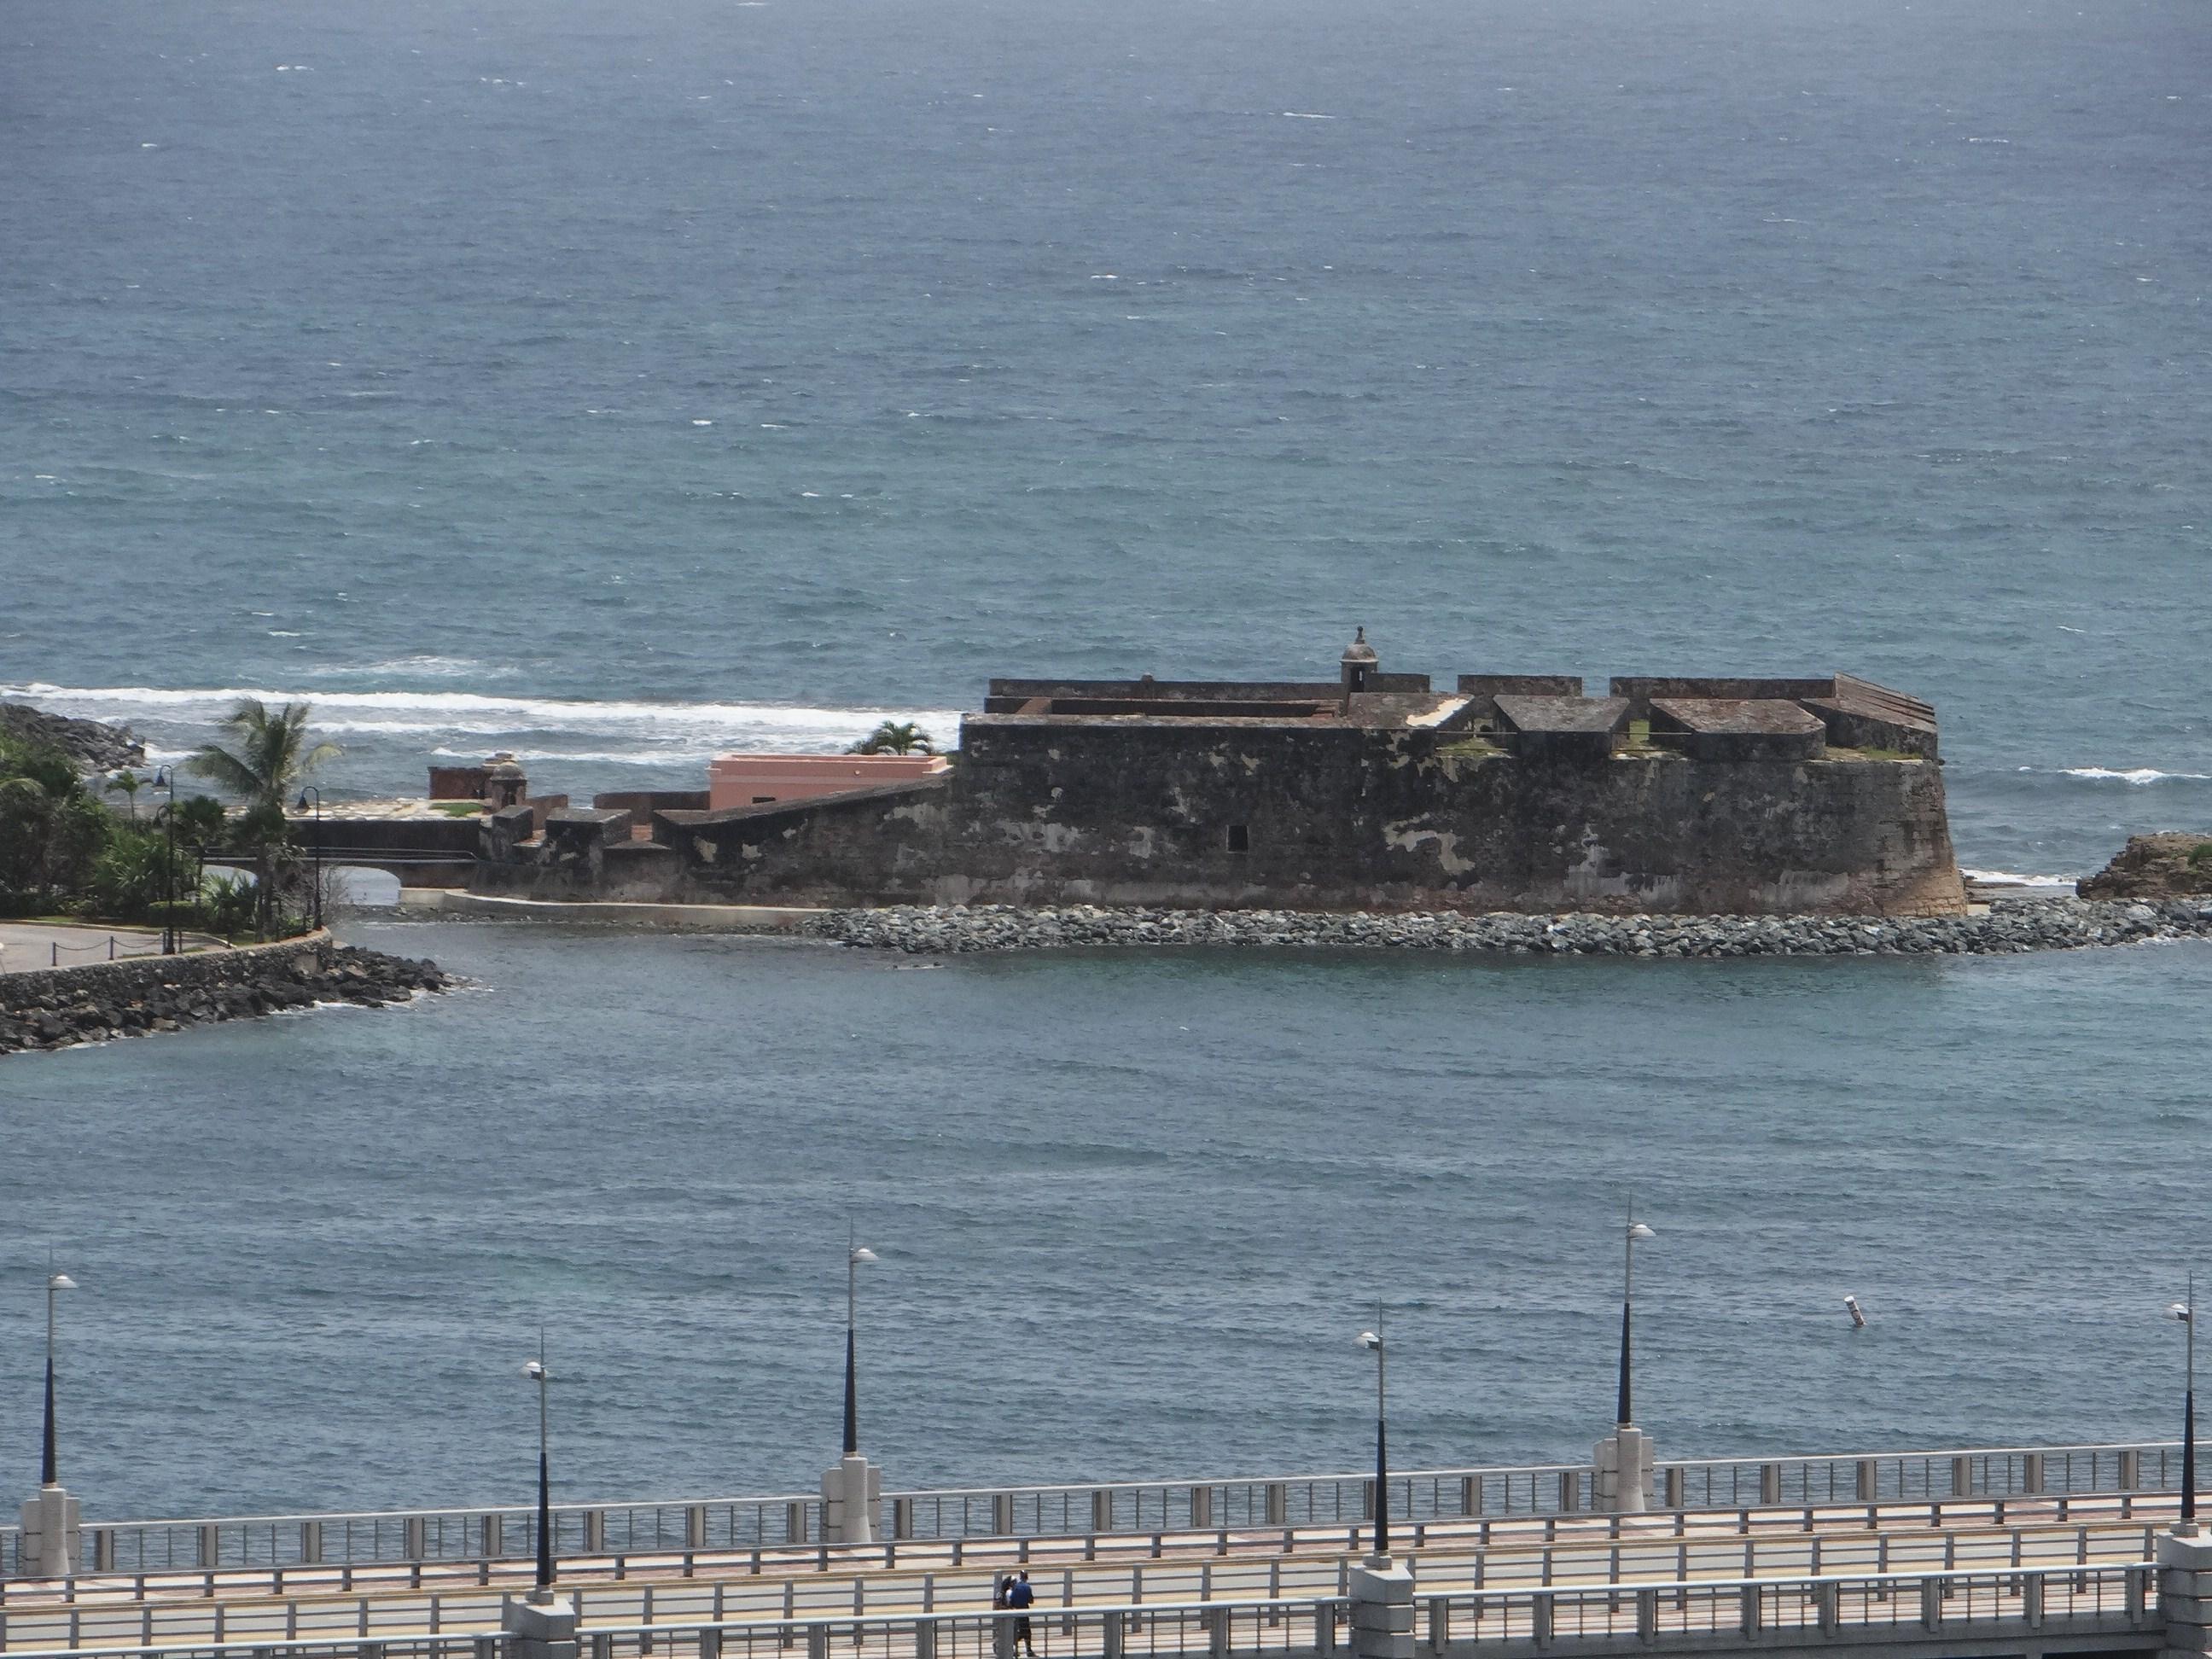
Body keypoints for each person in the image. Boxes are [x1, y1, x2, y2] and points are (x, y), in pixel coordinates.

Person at [1008, 1569, 1038, 1657]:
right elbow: (1031, 1600)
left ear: (1020, 1577)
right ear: (1027, 1577)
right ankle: (1027, 1650)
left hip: (1017, 1611)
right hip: (1025, 1611)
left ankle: (1014, 1647)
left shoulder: (1015, 1587)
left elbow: (1011, 1601)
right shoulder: (1027, 1587)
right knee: (1026, 1632)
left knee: (1020, 1630)